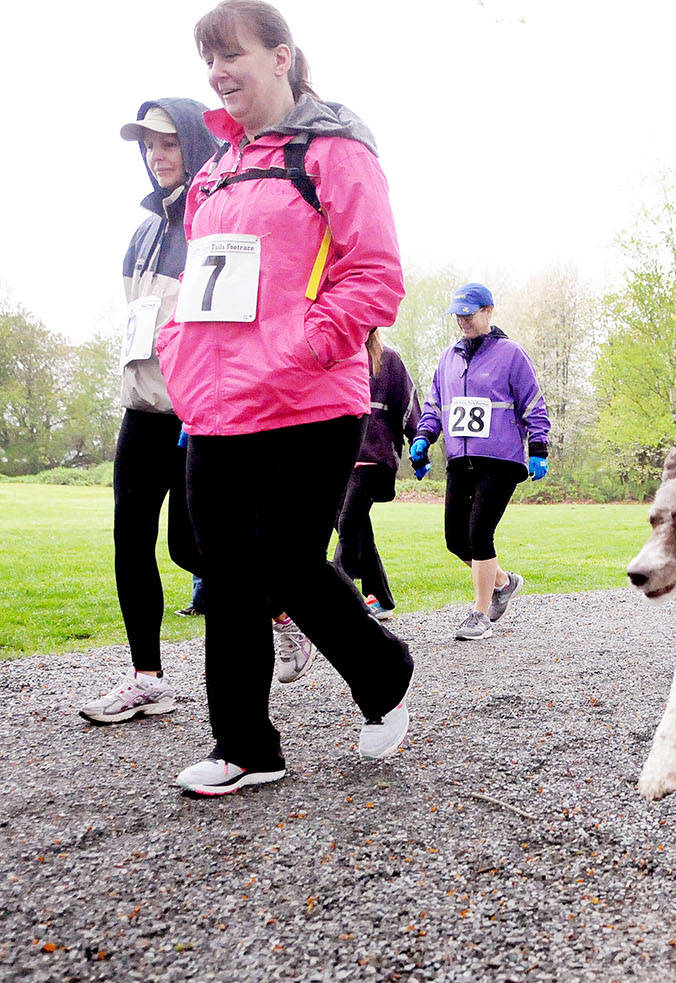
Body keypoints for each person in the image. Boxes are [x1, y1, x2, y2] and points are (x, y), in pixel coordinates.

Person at [156, 0, 416, 794]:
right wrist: (178, 353)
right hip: (217, 402)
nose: (217, 73)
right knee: (226, 571)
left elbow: (375, 274)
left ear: (281, 55)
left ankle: (384, 673)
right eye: (208, 60)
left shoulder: (334, 150)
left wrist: (302, 346)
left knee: (288, 562)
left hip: (311, 399)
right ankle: (246, 747)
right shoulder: (214, 171)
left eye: (230, 54)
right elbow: (198, 286)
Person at [80, 101, 220, 725]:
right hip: (143, 409)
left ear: (193, 141)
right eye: (148, 144)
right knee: (129, 540)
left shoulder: (213, 217)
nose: (157, 154)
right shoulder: (143, 232)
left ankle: (282, 607)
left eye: (169, 142)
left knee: (193, 547)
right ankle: (146, 677)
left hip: (198, 412)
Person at [409, 283, 551, 641]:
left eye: (469, 314)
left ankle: (479, 614)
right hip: (461, 459)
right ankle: (503, 582)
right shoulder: (447, 358)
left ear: (489, 311)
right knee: (456, 540)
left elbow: (533, 403)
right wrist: (423, 438)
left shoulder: (511, 355)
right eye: (458, 315)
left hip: (501, 458)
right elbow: (435, 406)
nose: (462, 321)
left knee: (478, 531)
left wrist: (539, 447)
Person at [334, 342, 421, 619]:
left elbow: (408, 404)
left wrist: (419, 443)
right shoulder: (335, 355)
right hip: (341, 461)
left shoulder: (388, 359)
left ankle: (337, 605)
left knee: (349, 525)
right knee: (356, 526)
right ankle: (380, 597)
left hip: (375, 458)